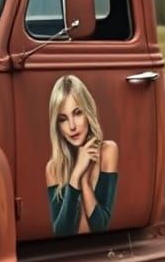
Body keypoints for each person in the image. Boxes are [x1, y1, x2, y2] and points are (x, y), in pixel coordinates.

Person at [45, 74, 119, 235]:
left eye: (78, 113)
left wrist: (84, 181)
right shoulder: (53, 168)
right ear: (57, 126)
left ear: (88, 113)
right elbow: (61, 232)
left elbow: (100, 225)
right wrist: (76, 174)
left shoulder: (108, 151)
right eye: (63, 119)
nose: (72, 126)